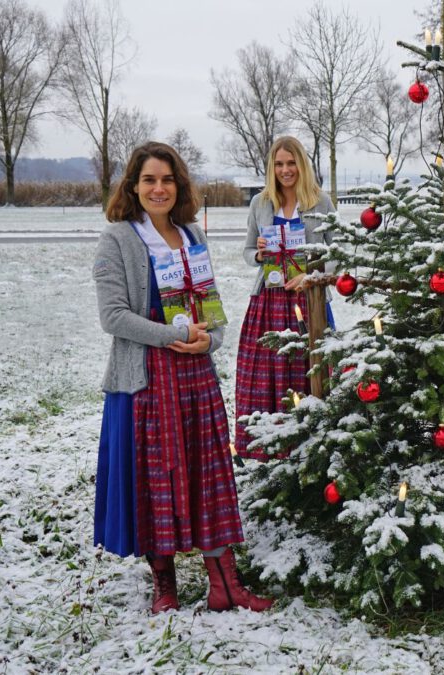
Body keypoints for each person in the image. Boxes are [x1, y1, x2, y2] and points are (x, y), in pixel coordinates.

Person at [92, 141, 271, 614]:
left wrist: (209, 341)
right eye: (149, 179)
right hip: (148, 378)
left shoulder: (192, 235)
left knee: (208, 474)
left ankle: (224, 584)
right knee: (159, 479)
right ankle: (164, 583)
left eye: (167, 180)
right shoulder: (119, 239)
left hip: (195, 374)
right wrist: (168, 333)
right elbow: (113, 317)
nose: (158, 188)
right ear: (133, 186)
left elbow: (212, 312)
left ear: (179, 185)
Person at [235, 136, 336, 458]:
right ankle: (268, 445)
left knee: (310, 371)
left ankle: (311, 445)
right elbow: (248, 250)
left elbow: (337, 252)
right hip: (268, 299)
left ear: (301, 165)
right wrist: (259, 254)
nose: (285, 170)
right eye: (279, 164)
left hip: (309, 302)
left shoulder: (321, 202)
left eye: (291, 163)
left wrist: (314, 276)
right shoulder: (261, 203)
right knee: (267, 372)